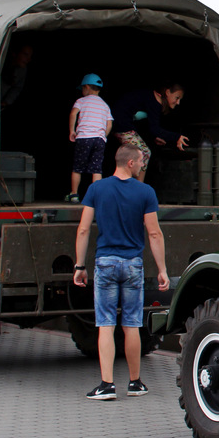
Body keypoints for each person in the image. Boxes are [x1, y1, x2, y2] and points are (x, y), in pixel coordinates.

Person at [73, 145, 169, 400]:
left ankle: (106, 385)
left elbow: (83, 229)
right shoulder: (145, 192)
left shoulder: (96, 189)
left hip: (105, 263)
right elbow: (154, 233)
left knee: (105, 324)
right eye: (140, 161)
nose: (142, 165)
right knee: (131, 324)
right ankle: (135, 383)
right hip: (133, 265)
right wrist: (162, 270)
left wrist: (80, 266)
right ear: (129, 163)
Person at [110, 81, 190, 180]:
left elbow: (146, 125)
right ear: (168, 92)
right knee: (144, 152)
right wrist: (176, 137)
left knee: (139, 153)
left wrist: (154, 137)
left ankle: (135, 185)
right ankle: (138, 187)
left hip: (121, 124)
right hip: (122, 125)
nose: (178, 102)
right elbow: (154, 128)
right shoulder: (155, 101)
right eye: (177, 98)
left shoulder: (151, 98)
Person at [67, 73, 113, 202]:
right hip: (99, 139)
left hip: (84, 138)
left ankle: (74, 194)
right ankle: (96, 196)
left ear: (86, 87)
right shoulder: (105, 105)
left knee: (77, 167)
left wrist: (72, 130)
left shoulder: (81, 101)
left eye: (82, 88)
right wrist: (103, 135)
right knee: (96, 168)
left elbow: (73, 114)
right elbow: (109, 124)